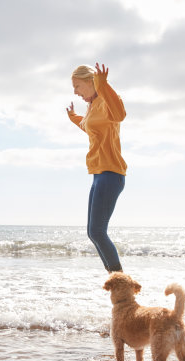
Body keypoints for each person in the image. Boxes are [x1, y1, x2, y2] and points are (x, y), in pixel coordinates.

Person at [66, 63, 127, 273]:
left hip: (111, 174)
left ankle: (121, 283)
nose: (75, 91)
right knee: (93, 233)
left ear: (91, 82)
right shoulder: (93, 106)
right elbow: (89, 127)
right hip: (98, 175)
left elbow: (119, 114)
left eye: (77, 86)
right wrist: (73, 117)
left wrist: (104, 84)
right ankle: (115, 280)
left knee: (98, 232)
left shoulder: (108, 101)